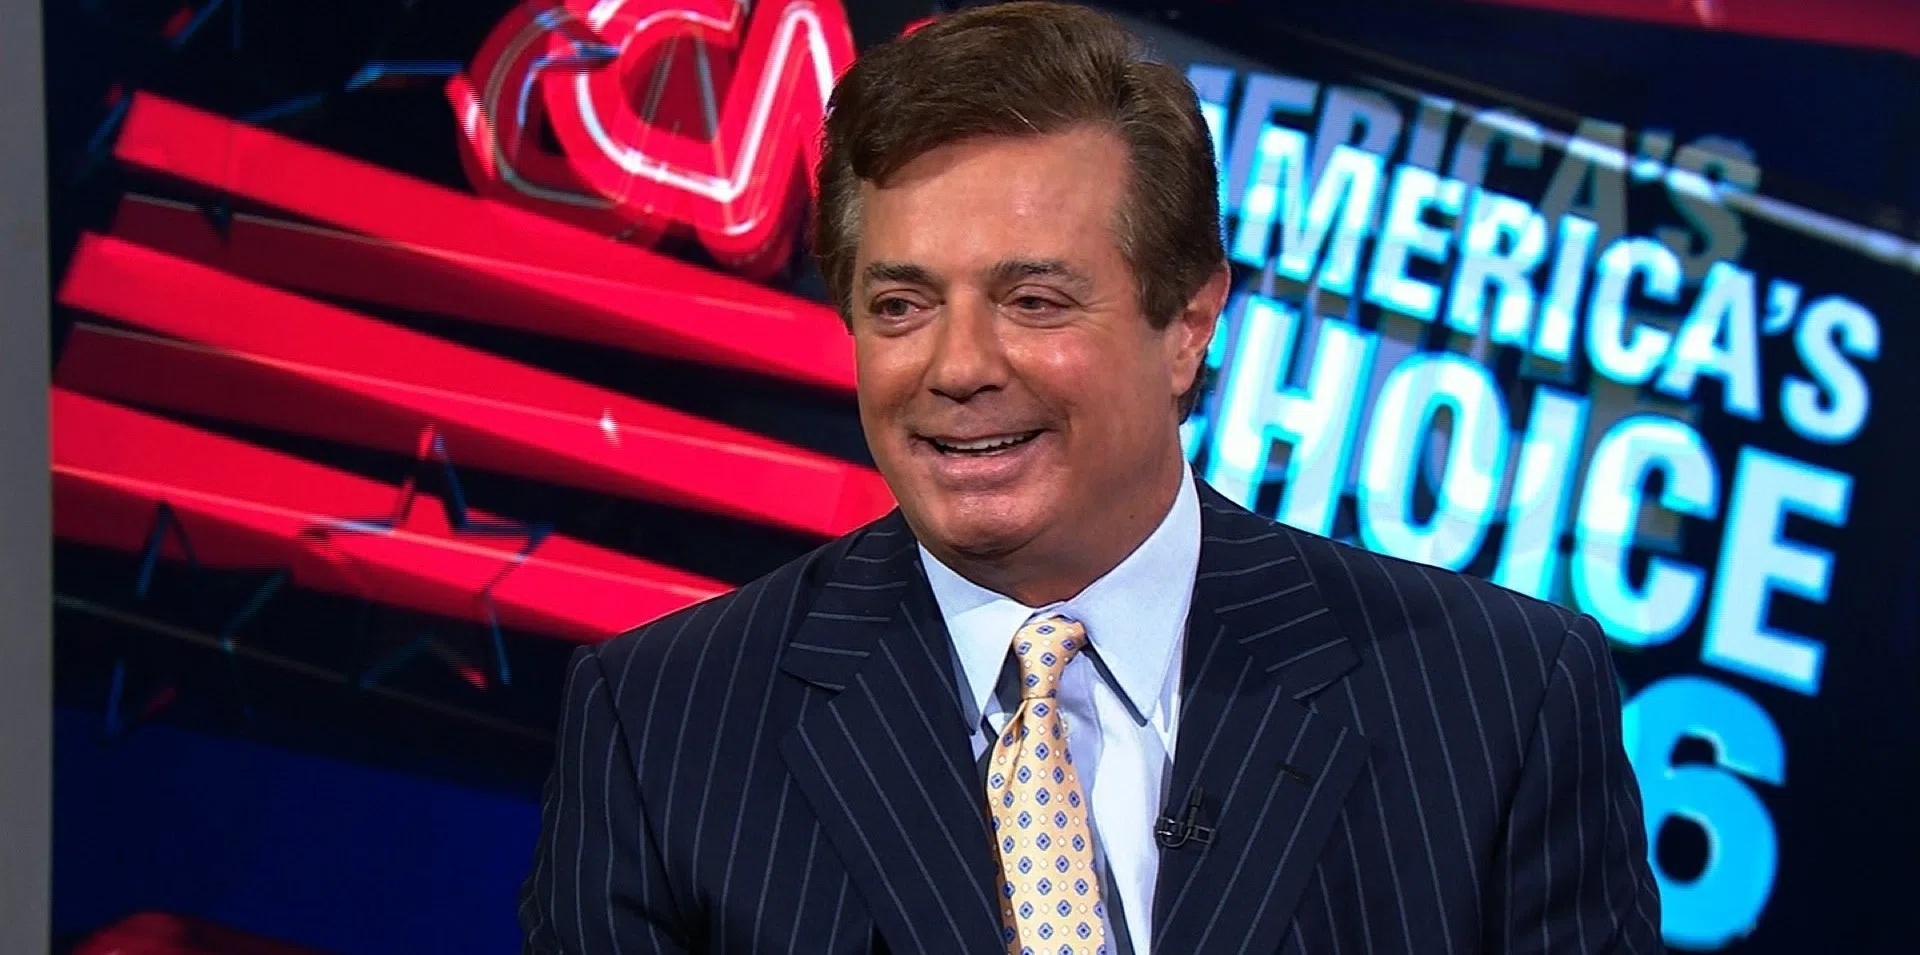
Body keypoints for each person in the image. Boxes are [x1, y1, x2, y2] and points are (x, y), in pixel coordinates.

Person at [519, 3, 1664, 953]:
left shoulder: (1496, 700)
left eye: (1034, 301)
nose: (958, 367)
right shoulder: (664, 724)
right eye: (902, 305)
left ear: (1189, 323)